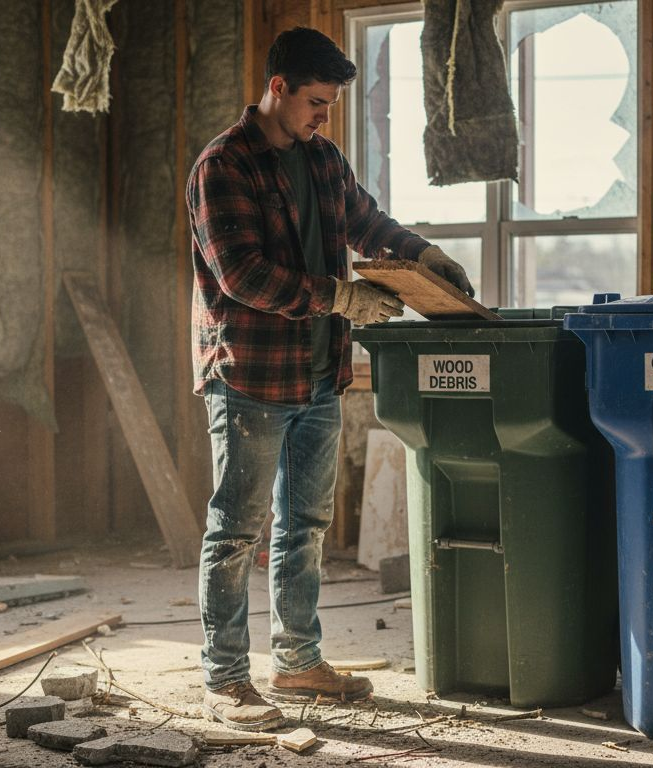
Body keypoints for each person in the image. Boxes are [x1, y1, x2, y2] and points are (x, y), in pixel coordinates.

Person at [186, 27, 473, 731]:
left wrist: (425, 255)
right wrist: (341, 298)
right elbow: (242, 275)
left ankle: (296, 661)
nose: (323, 116)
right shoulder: (223, 165)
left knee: (306, 526)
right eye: (315, 101)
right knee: (236, 530)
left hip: (319, 375)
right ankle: (225, 680)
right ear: (277, 88)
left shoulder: (322, 158)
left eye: (332, 105)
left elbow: (367, 224)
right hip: (250, 376)